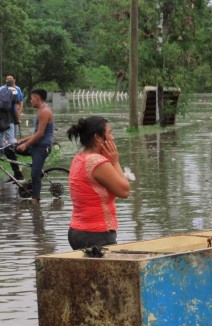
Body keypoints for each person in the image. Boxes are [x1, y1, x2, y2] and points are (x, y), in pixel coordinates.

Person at [66, 116, 130, 250]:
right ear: (98, 138)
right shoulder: (97, 162)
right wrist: (115, 161)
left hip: (76, 231)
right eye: (110, 133)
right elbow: (124, 191)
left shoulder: (80, 157)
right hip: (97, 234)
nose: (113, 138)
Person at [4, 89, 52, 204]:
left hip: (42, 148)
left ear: (37, 98)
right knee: (8, 148)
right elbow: (37, 133)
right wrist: (22, 141)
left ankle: (36, 201)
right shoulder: (41, 110)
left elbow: (40, 134)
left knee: (35, 174)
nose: (30, 101)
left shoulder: (44, 111)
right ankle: (18, 175)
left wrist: (25, 144)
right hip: (34, 145)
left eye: (31, 98)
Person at [0, 75, 24, 143]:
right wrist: (18, 117)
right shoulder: (15, 90)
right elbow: (17, 105)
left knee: (1, 136)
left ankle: (2, 151)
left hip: (1, 117)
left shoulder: (1, 89)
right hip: (11, 118)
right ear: (14, 83)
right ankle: (12, 150)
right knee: (12, 137)